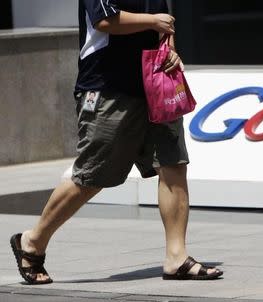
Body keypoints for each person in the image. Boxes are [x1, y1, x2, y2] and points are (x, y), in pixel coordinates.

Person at [10, 0, 223, 284]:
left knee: (173, 164)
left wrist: (170, 49)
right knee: (92, 174)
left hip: (156, 81)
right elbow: (104, 20)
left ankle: (177, 257)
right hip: (107, 87)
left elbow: (164, 24)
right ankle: (32, 242)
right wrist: (153, 22)